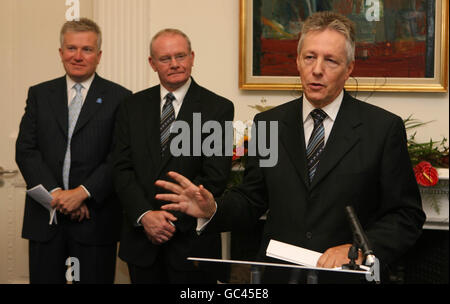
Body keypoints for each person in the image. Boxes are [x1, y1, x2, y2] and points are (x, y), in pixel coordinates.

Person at [155, 12, 425, 283]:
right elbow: (251, 198)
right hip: (278, 275)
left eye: (330, 60)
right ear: (298, 61)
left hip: (347, 277)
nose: (317, 69)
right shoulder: (268, 123)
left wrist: (358, 250)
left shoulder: (382, 128)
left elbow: (405, 216)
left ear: (349, 68)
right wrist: (213, 209)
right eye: (310, 57)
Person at [112, 28, 234, 284]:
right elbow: (121, 169)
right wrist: (145, 216)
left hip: (191, 244)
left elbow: (215, 177)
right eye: (165, 58)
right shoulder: (130, 107)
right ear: (152, 63)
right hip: (141, 241)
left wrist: (169, 221)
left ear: (192, 57)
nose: (175, 64)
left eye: (181, 56)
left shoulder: (217, 108)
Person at [15, 18, 132, 284]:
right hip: (46, 219)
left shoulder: (121, 98)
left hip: (95, 220)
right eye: (71, 48)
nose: (78, 56)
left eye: (87, 49)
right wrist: (57, 195)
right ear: (60, 52)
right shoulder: (39, 94)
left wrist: (82, 194)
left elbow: (119, 156)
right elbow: (26, 150)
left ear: (99, 55)